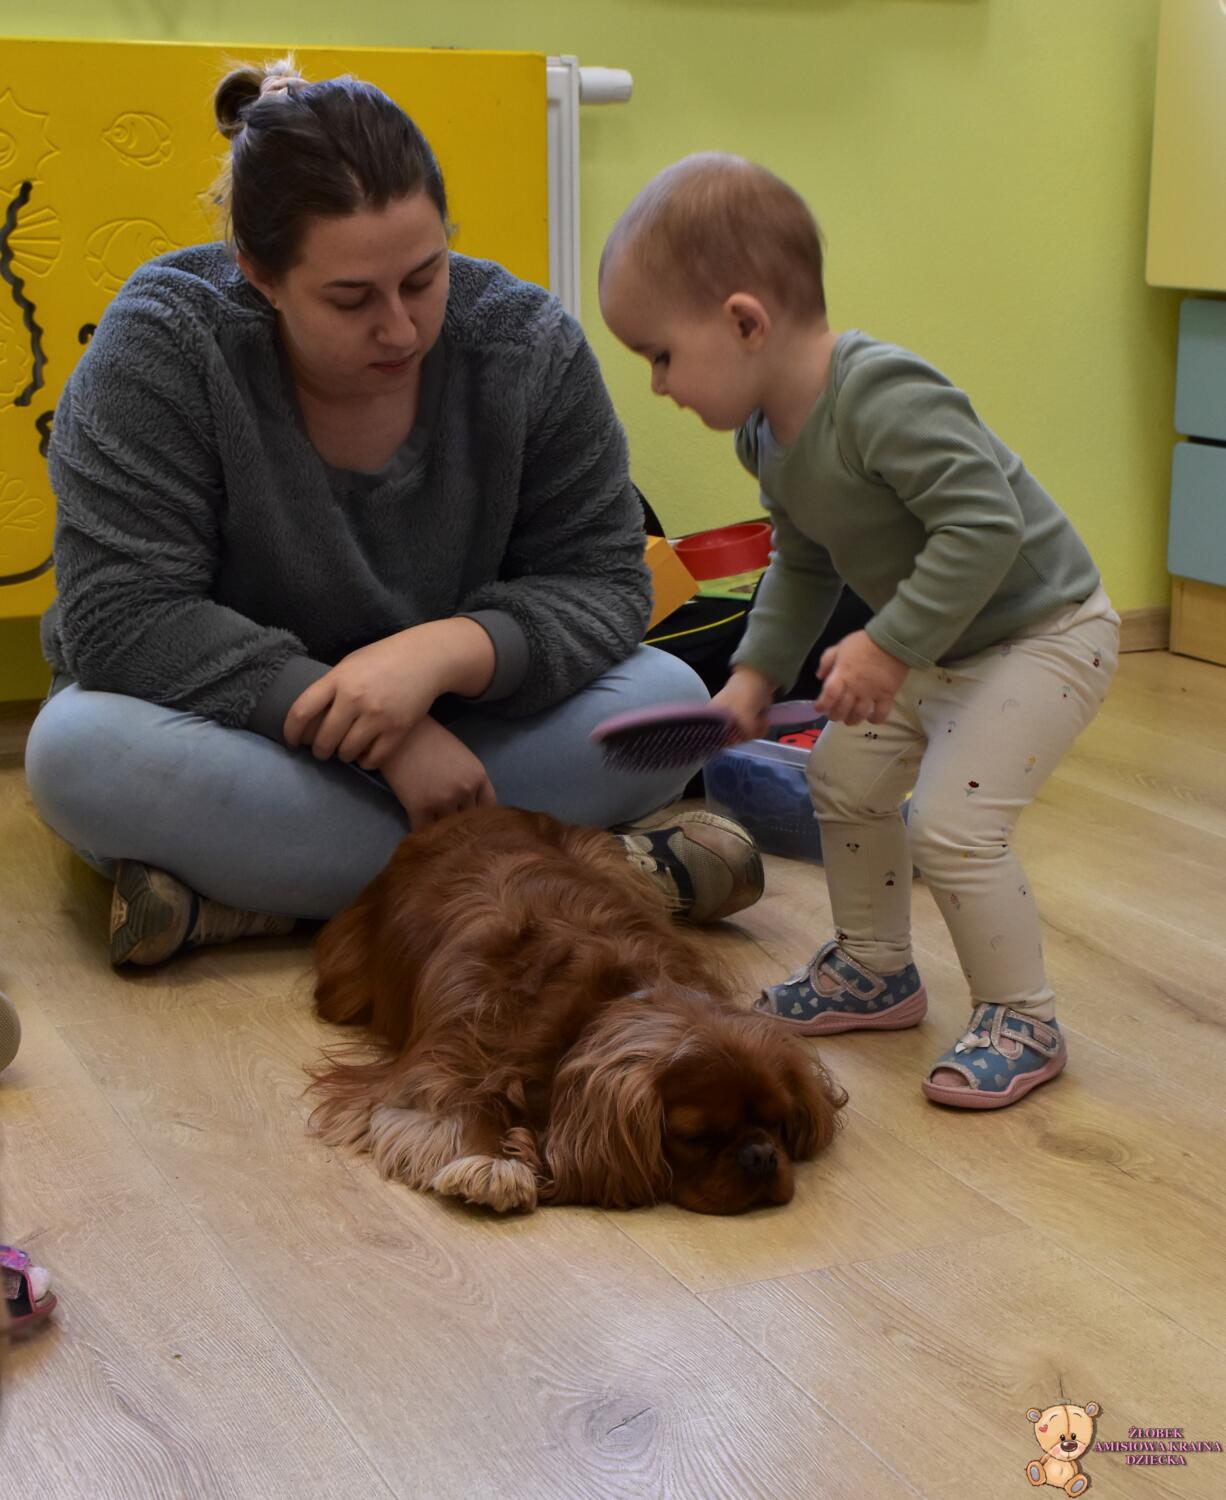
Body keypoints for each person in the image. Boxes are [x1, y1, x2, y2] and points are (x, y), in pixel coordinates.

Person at [24, 65, 763, 967]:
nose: (402, 329)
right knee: (75, 753)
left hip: (464, 730)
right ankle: (585, 872)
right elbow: (122, 615)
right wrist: (386, 740)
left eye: (424, 277)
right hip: (244, 732)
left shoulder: (525, 342)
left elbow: (605, 580)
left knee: (669, 703)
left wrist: (447, 651)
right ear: (259, 274)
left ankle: (253, 896)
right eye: (350, 299)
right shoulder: (165, 342)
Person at [599, 153, 1120, 1110]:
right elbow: (804, 563)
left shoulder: (883, 395)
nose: (659, 384)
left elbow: (985, 527)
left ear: (745, 321)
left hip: (1044, 634)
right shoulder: (766, 436)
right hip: (937, 642)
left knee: (954, 827)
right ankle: (877, 969)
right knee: (844, 779)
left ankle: (1023, 1015)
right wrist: (753, 678)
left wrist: (886, 645)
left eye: (660, 355)